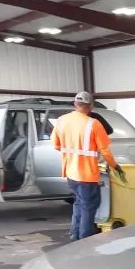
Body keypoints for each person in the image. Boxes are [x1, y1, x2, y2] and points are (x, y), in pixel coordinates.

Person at [51, 91, 124, 240]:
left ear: (74, 104)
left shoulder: (61, 121)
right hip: (87, 174)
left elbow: (56, 145)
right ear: (90, 106)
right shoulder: (93, 124)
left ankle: (74, 234)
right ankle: (85, 240)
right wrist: (115, 166)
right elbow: (104, 150)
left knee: (78, 203)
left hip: (70, 172)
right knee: (89, 207)